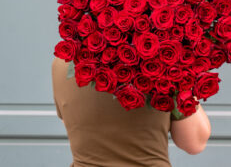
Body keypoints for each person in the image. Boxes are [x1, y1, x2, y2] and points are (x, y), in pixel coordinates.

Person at [51, 56, 211, 167]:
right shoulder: (161, 63)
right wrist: (185, 80)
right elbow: (194, 143)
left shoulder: (62, 63)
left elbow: (71, 123)